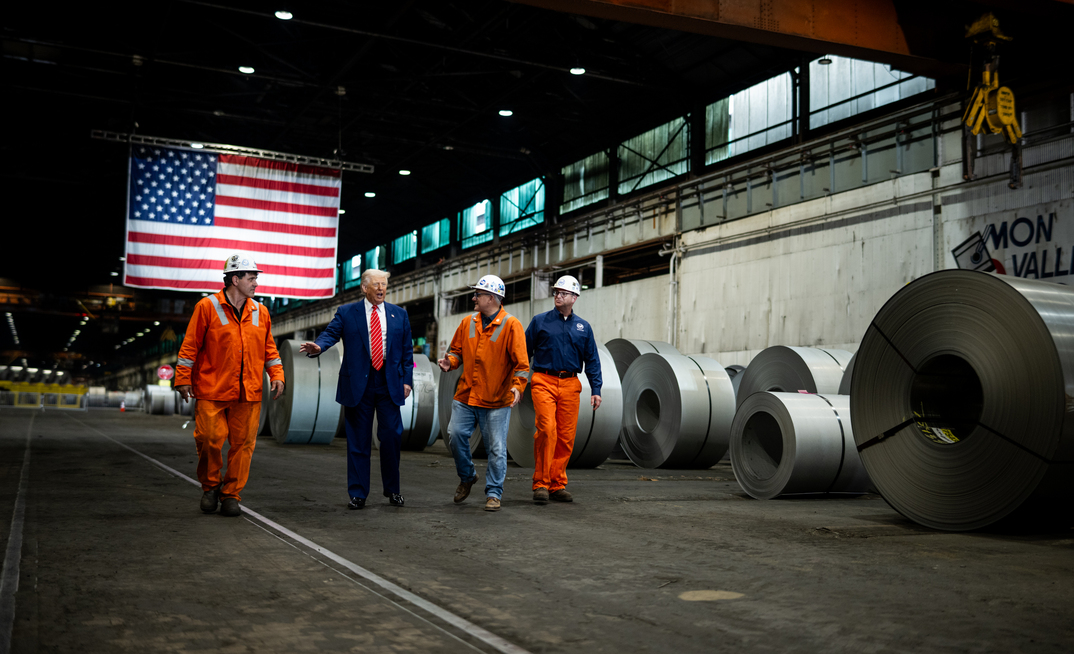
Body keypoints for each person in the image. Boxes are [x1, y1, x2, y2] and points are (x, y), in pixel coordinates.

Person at [176, 253, 285, 517]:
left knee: (243, 446)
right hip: (212, 389)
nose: (256, 283)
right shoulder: (207, 307)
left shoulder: (261, 312)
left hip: (248, 393)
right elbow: (190, 346)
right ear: (234, 279)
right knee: (209, 439)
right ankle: (210, 487)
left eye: (256, 278)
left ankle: (231, 495)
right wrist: (182, 378)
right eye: (251, 278)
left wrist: (278, 374)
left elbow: (270, 349)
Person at [299, 269, 413, 510]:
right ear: (364, 288)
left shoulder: (399, 315)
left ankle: (393, 490)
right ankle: (358, 493)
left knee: (391, 436)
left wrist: (407, 380)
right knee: (358, 441)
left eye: (384, 285)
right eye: (376, 285)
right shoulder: (347, 313)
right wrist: (319, 347)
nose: (381, 289)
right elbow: (330, 333)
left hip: (389, 384)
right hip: (357, 384)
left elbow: (407, 351)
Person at [438, 275, 529, 512]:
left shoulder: (512, 325)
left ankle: (493, 493)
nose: (473, 297)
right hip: (467, 395)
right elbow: (456, 351)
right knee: (456, 435)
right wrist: (450, 361)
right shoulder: (468, 322)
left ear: (491, 298)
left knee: (496, 448)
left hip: (496, 398)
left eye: (478, 294)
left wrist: (517, 387)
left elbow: (522, 364)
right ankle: (467, 476)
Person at [524, 275, 602, 504]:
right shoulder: (540, 322)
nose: (558, 296)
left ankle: (557, 484)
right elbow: (523, 352)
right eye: (556, 292)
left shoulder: (583, 328)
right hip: (543, 380)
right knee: (547, 430)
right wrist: (516, 381)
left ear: (574, 298)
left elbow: (593, 360)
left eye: (564, 293)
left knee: (566, 437)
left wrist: (596, 388)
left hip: (570, 384)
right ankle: (541, 484)